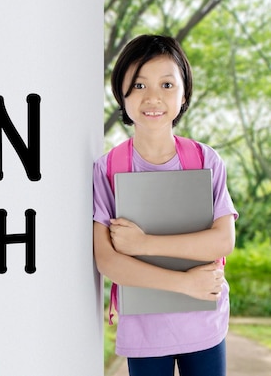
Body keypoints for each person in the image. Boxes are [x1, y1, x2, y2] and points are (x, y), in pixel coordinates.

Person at [93, 34, 238, 376]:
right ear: (121, 95)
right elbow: (107, 260)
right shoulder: (108, 169)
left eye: (167, 84)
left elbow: (223, 240)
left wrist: (143, 244)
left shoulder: (205, 160)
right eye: (139, 84)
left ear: (184, 93)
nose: (153, 97)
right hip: (144, 333)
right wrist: (186, 283)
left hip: (205, 326)